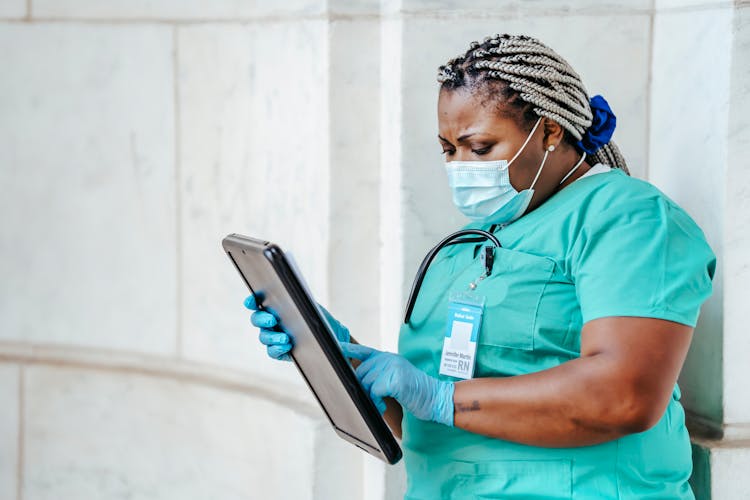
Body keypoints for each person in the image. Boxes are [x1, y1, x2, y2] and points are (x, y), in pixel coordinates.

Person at [245, 34, 715, 499]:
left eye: (481, 147)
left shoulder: (628, 216)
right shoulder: (478, 239)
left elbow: (623, 396)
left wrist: (438, 396)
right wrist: (344, 361)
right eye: (449, 149)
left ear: (550, 131)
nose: (460, 166)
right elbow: (431, 424)